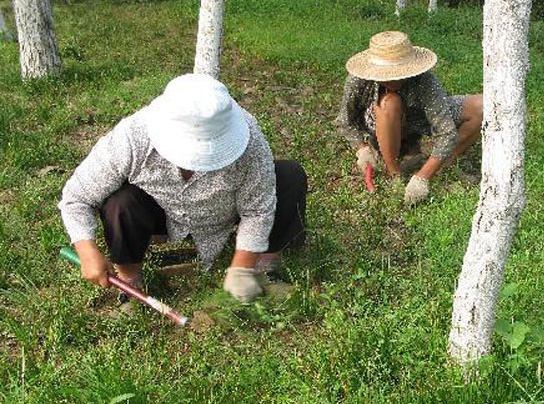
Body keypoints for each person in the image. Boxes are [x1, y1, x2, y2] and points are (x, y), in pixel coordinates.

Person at [58, 74, 307, 304]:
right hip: (159, 213)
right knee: (120, 204)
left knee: (288, 176)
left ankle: (265, 267)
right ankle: (130, 282)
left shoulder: (250, 137)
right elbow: (76, 198)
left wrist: (241, 268)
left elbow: (257, 210)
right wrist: (86, 249)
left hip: (226, 211)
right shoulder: (133, 136)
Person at [336, 31, 483, 205]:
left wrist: (423, 177)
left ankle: (443, 164)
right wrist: (361, 148)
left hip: (418, 118)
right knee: (390, 102)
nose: (392, 79)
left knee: (481, 107)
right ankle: (394, 172)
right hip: (380, 119)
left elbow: (447, 132)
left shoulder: (426, 81)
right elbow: (345, 121)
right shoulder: (357, 80)